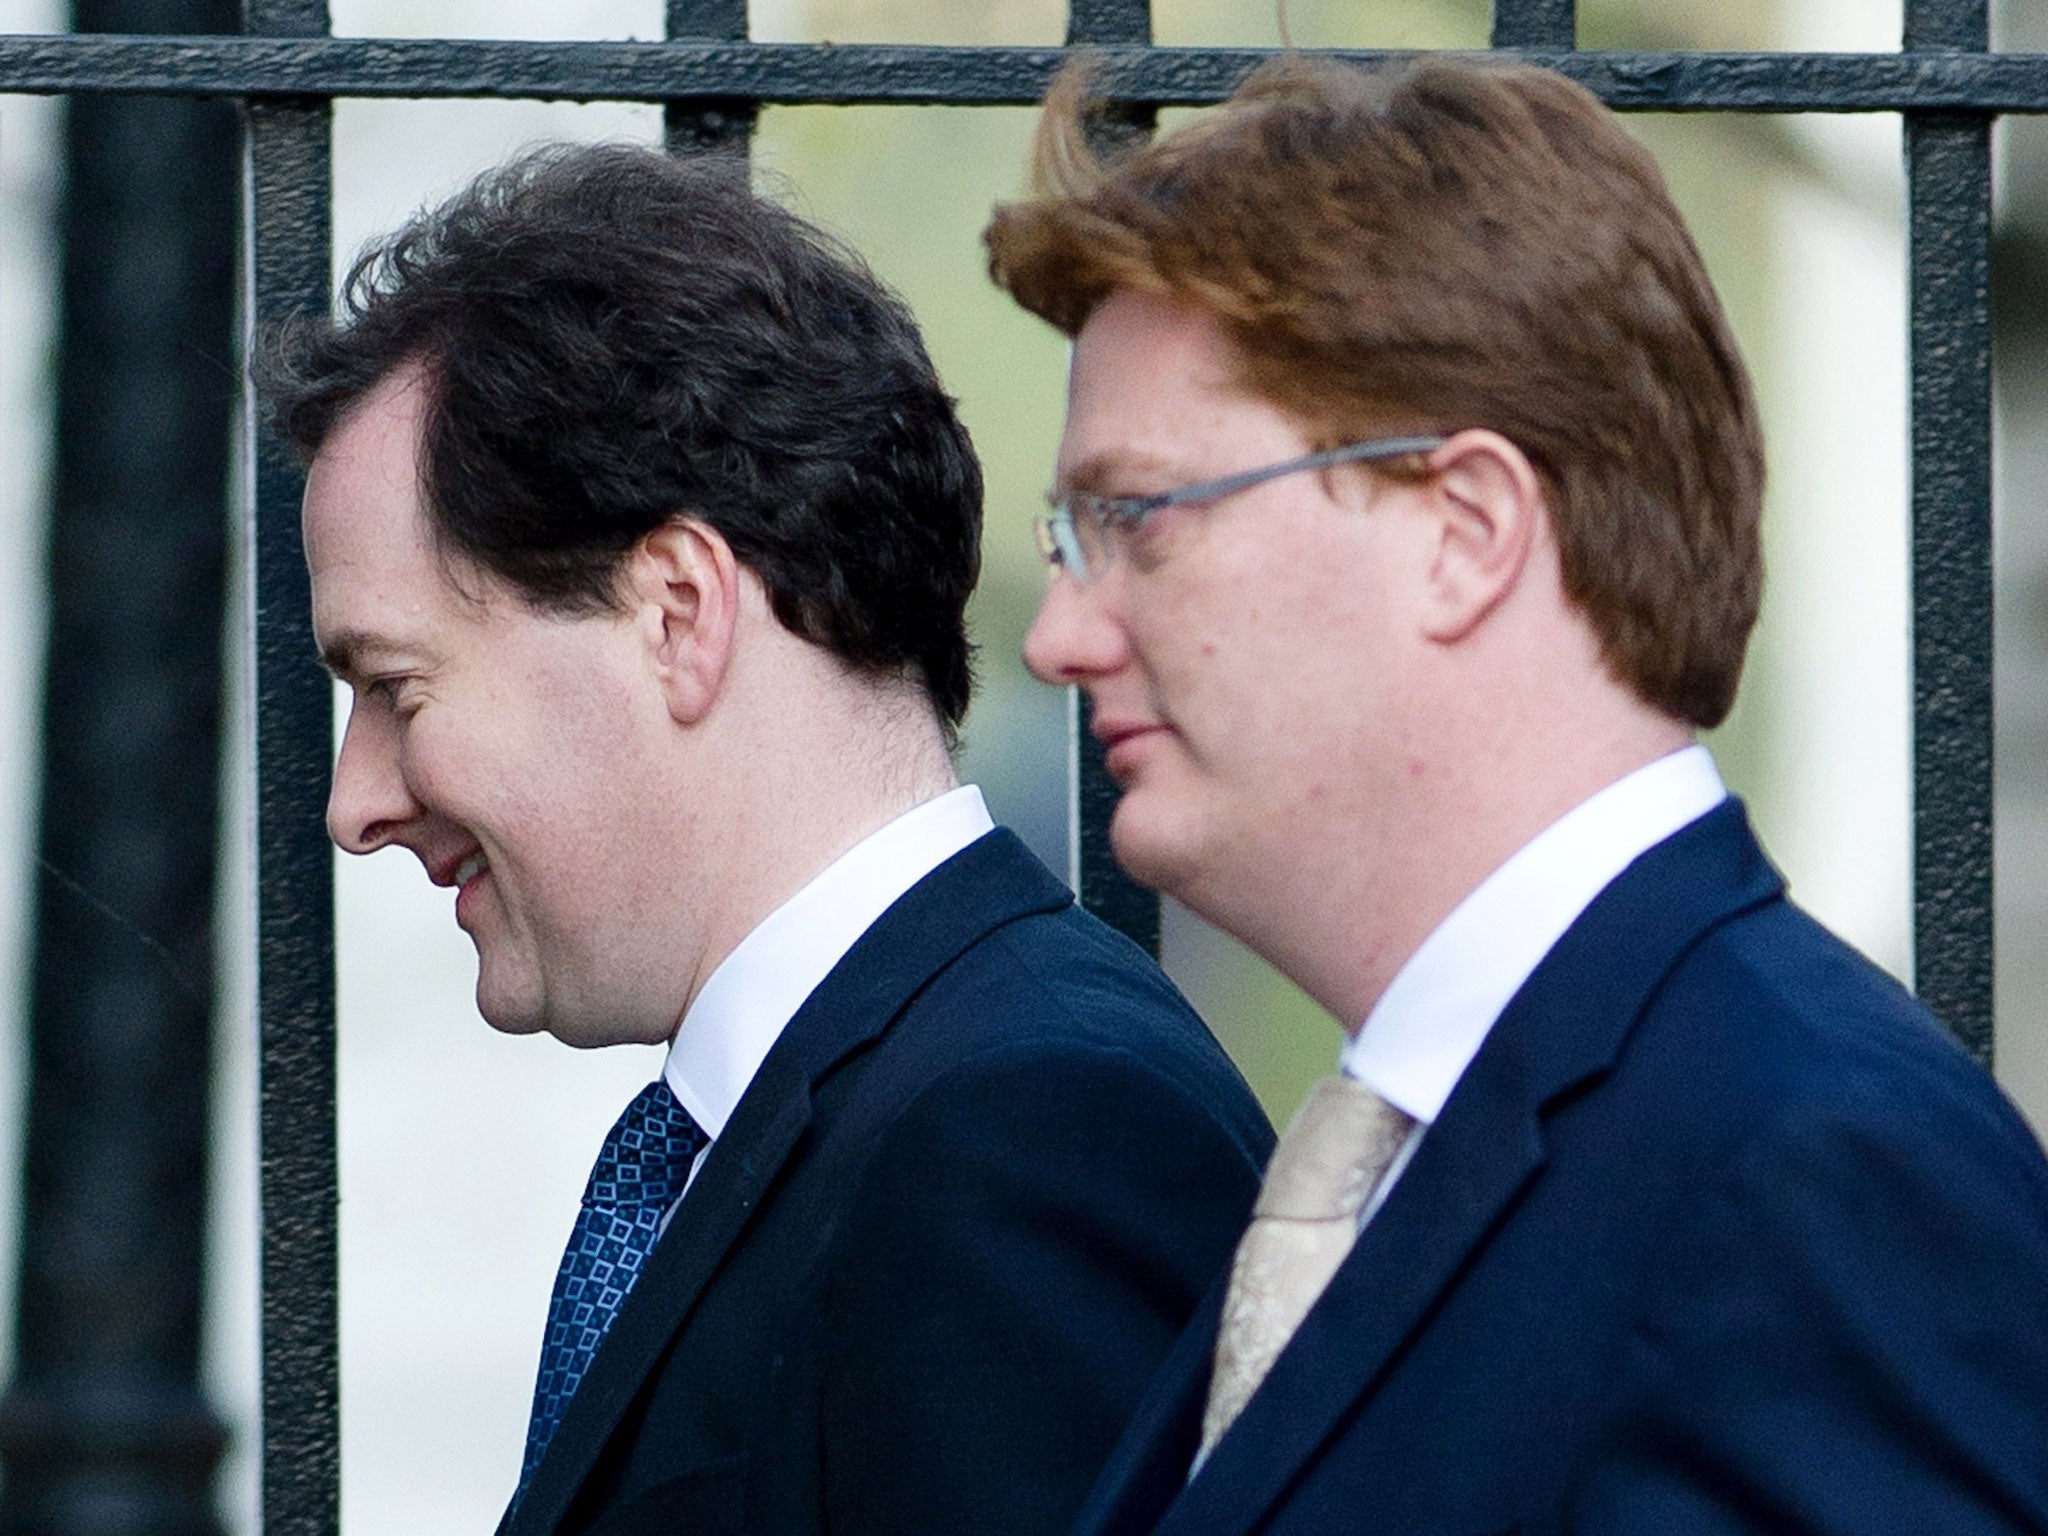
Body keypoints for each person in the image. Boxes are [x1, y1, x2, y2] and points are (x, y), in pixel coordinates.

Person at [985, 55, 2048, 1535]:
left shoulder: (1815, 1172)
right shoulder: (1413, 1156)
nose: (1060, 636)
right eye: (1071, 536)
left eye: (1140, 521)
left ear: (1466, 530)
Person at [264, 142, 1273, 1536]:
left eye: (395, 686)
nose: (355, 803)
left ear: (678, 611)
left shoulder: (1019, 1127)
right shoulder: (906, 1094)